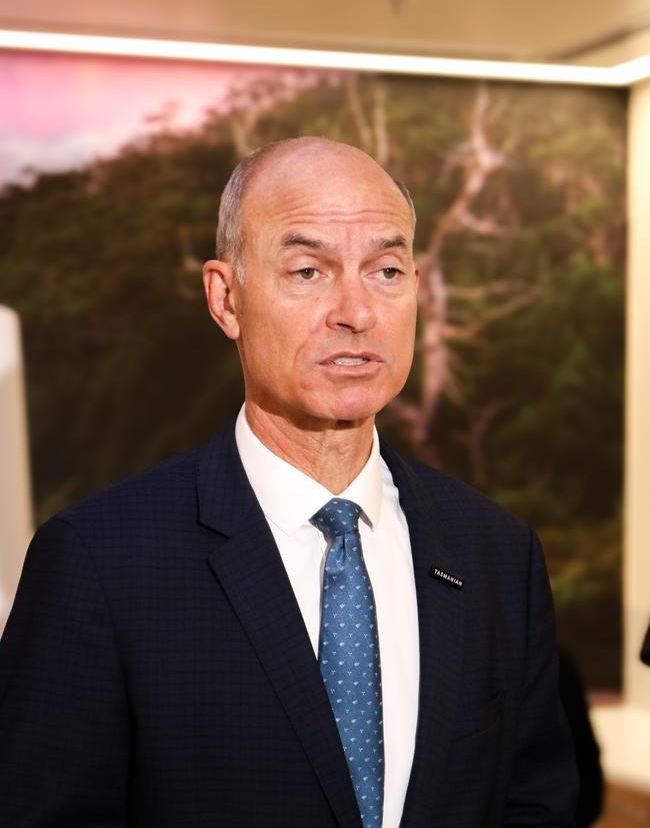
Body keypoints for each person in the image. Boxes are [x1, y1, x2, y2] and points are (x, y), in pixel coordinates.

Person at [0, 137, 577, 827]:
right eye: (308, 271)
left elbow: (536, 805)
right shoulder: (100, 562)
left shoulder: (496, 555)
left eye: (386, 270)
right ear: (226, 297)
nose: (356, 312)